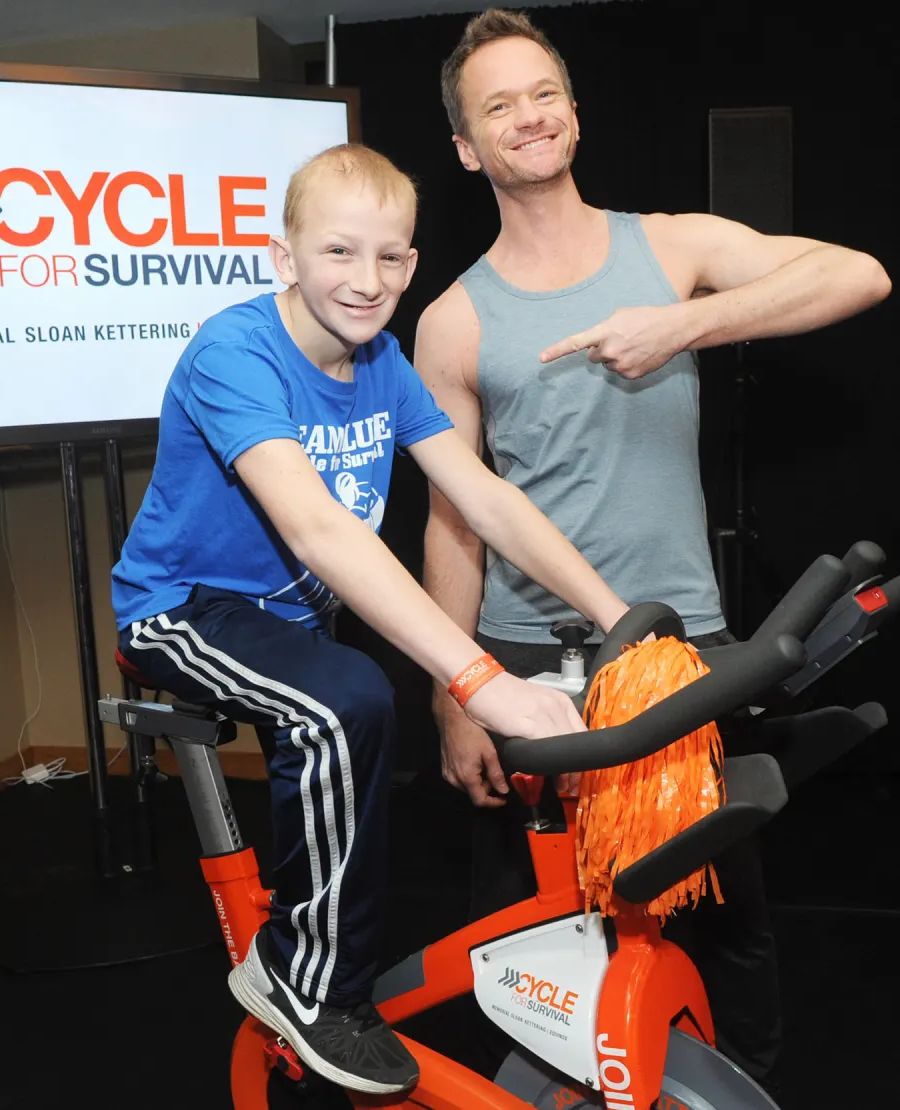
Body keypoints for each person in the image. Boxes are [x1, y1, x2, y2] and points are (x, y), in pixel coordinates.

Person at [416, 9, 891, 1099]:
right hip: (525, 659)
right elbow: (450, 522)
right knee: (525, 917)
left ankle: (729, 1082)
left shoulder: (670, 247)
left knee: (719, 908)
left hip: (678, 644)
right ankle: (557, 1080)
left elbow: (857, 274)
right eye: (497, 106)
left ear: (574, 114)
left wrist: (680, 326)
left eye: (543, 93)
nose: (527, 117)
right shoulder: (451, 322)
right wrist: (453, 695)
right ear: (465, 148)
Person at [110, 143, 630, 1096]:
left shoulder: (383, 364)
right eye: (340, 253)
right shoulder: (236, 351)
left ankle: (325, 954)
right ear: (286, 257)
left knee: (359, 703)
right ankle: (306, 981)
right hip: (181, 609)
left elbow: (486, 498)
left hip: (287, 617)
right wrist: (480, 679)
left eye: (391, 257)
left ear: (412, 265)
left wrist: (619, 615)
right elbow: (316, 530)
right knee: (350, 700)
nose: (367, 279)